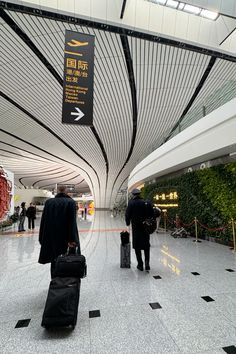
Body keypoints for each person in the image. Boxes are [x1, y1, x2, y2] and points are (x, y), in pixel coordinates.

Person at [38, 185, 80, 278]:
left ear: (57, 191)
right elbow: (72, 222)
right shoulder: (70, 202)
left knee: (54, 259)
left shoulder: (49, 202)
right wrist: (72, 239)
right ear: (66, 191)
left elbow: (43, 221)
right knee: (67, 259)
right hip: (65, 238)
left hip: (51, 237)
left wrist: (41, 237)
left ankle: (54, 280)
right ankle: (65, 282)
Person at [125, 189, 154, 271]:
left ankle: (140, 264)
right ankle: (147, 263)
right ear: (139, 194)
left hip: (136, 228)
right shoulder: (146, 202)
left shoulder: (131, 203)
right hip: (146, 227)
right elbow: (152, 214)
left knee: (137, 246)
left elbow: (127, 214)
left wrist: (127, 223)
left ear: (133, 195)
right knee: (146, 245)